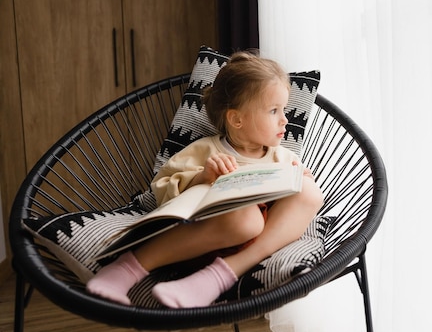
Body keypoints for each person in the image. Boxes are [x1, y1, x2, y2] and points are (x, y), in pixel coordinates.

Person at [86, 51, 324, 308]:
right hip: (199, 243)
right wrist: (203, 177)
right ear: (236, 119)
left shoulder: (283, 157)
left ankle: (215, 279)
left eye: (285, 109)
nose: (285, 119)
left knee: (310, 192)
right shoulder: (206, 150)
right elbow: (161, 188)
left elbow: (291, 212)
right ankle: (128, 268)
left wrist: (298, 181)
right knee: (247, 220)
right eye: (273, 110)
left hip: (253, 248)